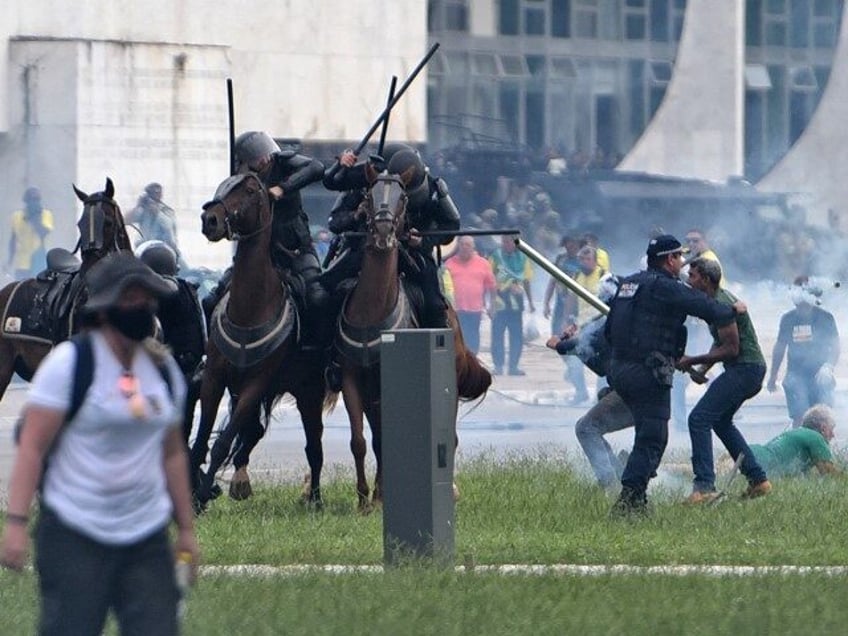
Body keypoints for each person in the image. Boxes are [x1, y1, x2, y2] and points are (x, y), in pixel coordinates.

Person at [1, 252, 198, 636]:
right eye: (131, 298)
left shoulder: (163, 372)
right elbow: (32, 447)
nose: (142, 307)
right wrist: (17, 523)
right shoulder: (68, 366)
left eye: (148, 298)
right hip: (75, 532)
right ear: (106, 308)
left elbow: (172, 452)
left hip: (146, 536)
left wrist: (186, 528)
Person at [605, 234, 743, 515]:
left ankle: (636, 498)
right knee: (653, 437)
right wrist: (732, 309)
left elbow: (609, 327)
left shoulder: (629, 283)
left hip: (619, 368)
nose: (682, 263)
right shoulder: (664, 286)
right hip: (647, 371)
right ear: (669, 259)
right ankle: (629, 502)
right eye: (679, 257)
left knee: (646, 434)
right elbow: (704, 307)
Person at [204, 131, 327, 332]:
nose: (264, 160)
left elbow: (316, 168)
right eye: (256, 158)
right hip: (255, 252)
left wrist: (283, 188)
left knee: (317, 297)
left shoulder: (284, 162)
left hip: (294, 249)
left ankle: (318, 355)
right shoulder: (241, 181)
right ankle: (211, 354)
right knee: (211, 300)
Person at [676, 257, 772, 503]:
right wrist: (702, 368)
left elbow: (731, 349)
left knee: (698, 419)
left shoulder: (720, 303)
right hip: (747, 369)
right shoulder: (717, 302)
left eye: (693, 276)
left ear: (706, 280)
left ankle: (704, 486)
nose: (689, 280)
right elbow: (721, 342)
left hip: (745, 369)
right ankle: (758, 480)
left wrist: (691, 360)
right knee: (720, 422)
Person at [546, 273, 633, 490]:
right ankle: (617, 473)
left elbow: (584, 345)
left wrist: (561, 344)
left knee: (586, 428)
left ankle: (610, 483)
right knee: (596, 413)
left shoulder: (617, 322)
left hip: (634, 390)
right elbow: (600, 365)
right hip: (631, 387)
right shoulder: (623, 316)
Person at [767, 276, 840, 427]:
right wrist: (773, 376)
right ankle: (799, 448)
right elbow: (780, 347)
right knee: (800, 417)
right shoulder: (788, 319)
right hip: (796, 374)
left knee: (824, 417)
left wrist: (828, 366)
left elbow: (835, 345)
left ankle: (823, 449)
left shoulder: (825, 318)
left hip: (821, 374)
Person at [747, 405, 841, 478]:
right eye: (831, 429)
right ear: (823, 428)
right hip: (756, 465)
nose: (833, 435)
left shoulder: (798, 433)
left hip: (752, 454)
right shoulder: (816, 438)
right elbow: (830, 475)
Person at [489, 234, 535, 376]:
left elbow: (526, 281)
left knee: (516, 337)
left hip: (516, 302)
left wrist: (531, 301)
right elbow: (489, 278)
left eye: (509, 241)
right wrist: (490, 303)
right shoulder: (496, 256)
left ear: (515, 243)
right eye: (504, 241)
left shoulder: (523, 258)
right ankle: (498, 366)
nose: (506, 244)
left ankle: (513, 366)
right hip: (500, 302)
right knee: (497, 336)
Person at [444, 235, 496, 355]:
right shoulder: (449, 263)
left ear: (473, 247)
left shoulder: (483, 263)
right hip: (456, 309)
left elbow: (492, 287)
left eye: (468, 245)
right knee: (457, 336)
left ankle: (473, 359)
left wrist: (492, 306)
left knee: (473, 337)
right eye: (462, 244)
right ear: (458, 247)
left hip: (475, 309)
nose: (464, 247)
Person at [6, 186, 54, 279]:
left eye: (36, 199)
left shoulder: (46, 215)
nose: (34, 202)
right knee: (21, 289)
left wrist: (34, 218)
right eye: (31, 200)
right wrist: (10, 261)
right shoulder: (16, 216)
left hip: (39, 260)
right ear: (26, 201)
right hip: (22, 263)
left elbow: (43, 233)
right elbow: (13, 240)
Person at [125, 183, 179, 256]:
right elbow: (126, 220)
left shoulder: (167, 211)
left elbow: (168, 227)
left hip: (165, 250)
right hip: (144, 249)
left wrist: (157, 213)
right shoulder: (143, 211)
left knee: (184, 267)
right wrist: (138, 205)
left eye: (157, 193)